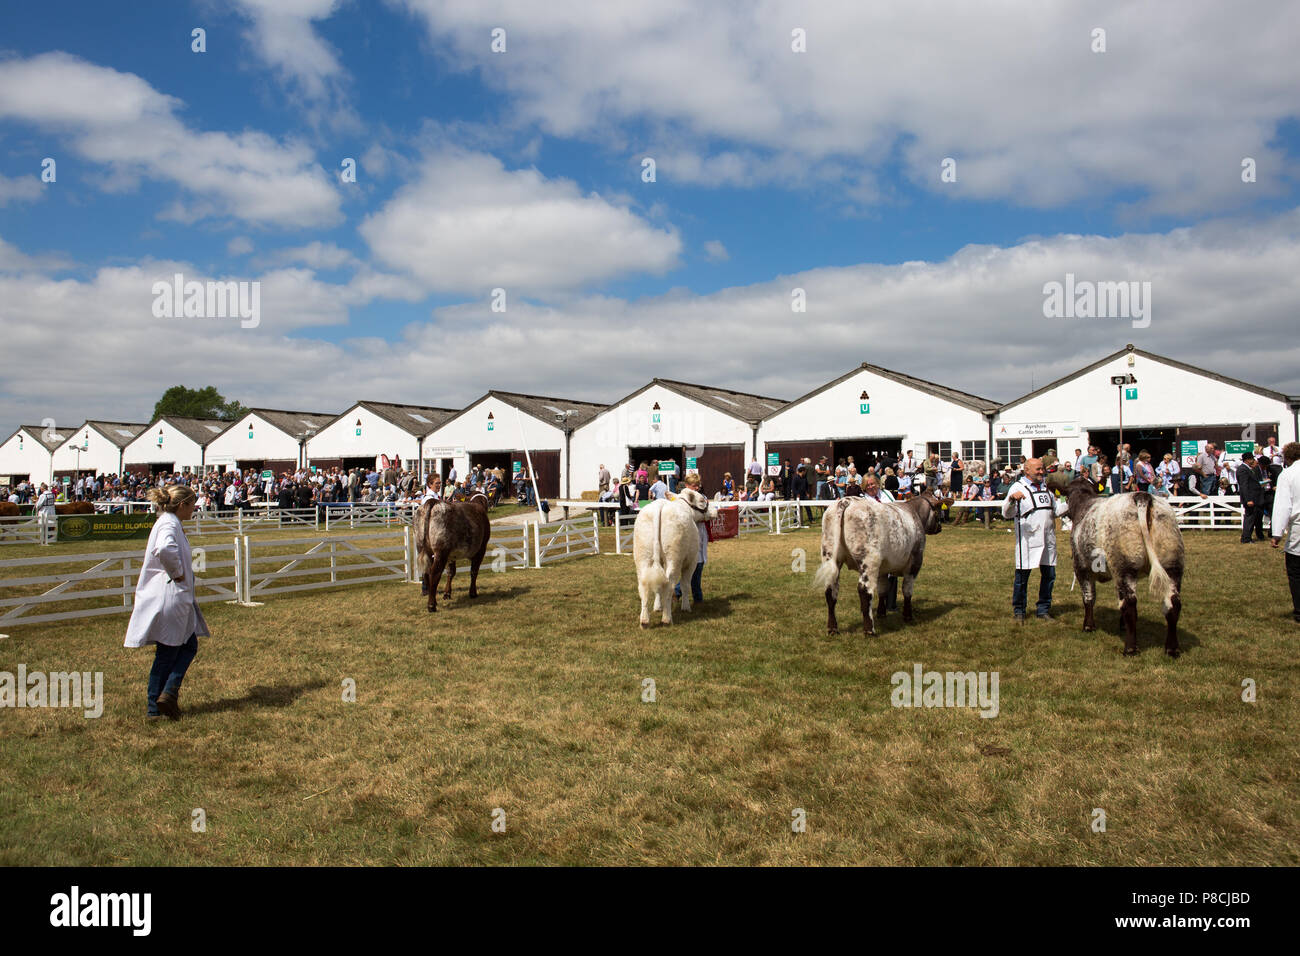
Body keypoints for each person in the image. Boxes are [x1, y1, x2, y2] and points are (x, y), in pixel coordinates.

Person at [123, 484, 209, 720]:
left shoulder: (170, 522)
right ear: (182, 505)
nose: (194, 509)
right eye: (192, 505)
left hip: (172, 596)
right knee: (170, 652)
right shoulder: (169, 523)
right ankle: (159, 702)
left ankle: (166, 696)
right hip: (169, 595)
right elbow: (165, 549)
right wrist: (178, 572)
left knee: (185, 646)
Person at [1002, 457, 1069, 623]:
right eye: (1038, 469)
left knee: (1049, 575)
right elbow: (1006, 513)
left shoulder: (1046, 488)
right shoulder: (1018, 487)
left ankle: (1043, 609)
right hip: (1028, 539)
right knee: (1022, 578)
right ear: (1027, 471)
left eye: (1042, 468)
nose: (1041, 471)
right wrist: (1011, 500)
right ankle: (1019, 611)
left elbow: (1056, 510)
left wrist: (1071, 501)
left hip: (1048, 539)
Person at [1270, 442, 1300, 624]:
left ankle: (1299, 609)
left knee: (1296, 572)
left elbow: (1283, 506)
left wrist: (1277, 533)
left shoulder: (1287, 474)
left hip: (1298, 526)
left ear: (1287, 457)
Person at [672, 473, 709, 607]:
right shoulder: (682, 499)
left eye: (698, 485)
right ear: (687, 485)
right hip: (689, 535)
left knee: (696, 566)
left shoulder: (701, 497)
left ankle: (679, 593)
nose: (697, 488)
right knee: (694, 567)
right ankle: (692, 595)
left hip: (700, 532)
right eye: (694, 486)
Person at [1237, 453, 1266, 543]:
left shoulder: (1249, 469)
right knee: (1249, 519)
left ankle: (1248, 537)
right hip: (1250, 498)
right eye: (1251, 459)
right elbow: (1244, 485)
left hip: (1255, 497)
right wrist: (1248, 499)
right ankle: (1246, 538)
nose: (1253, 461)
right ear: (1247, 460)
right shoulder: (1243, 470)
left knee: (1254, 518)